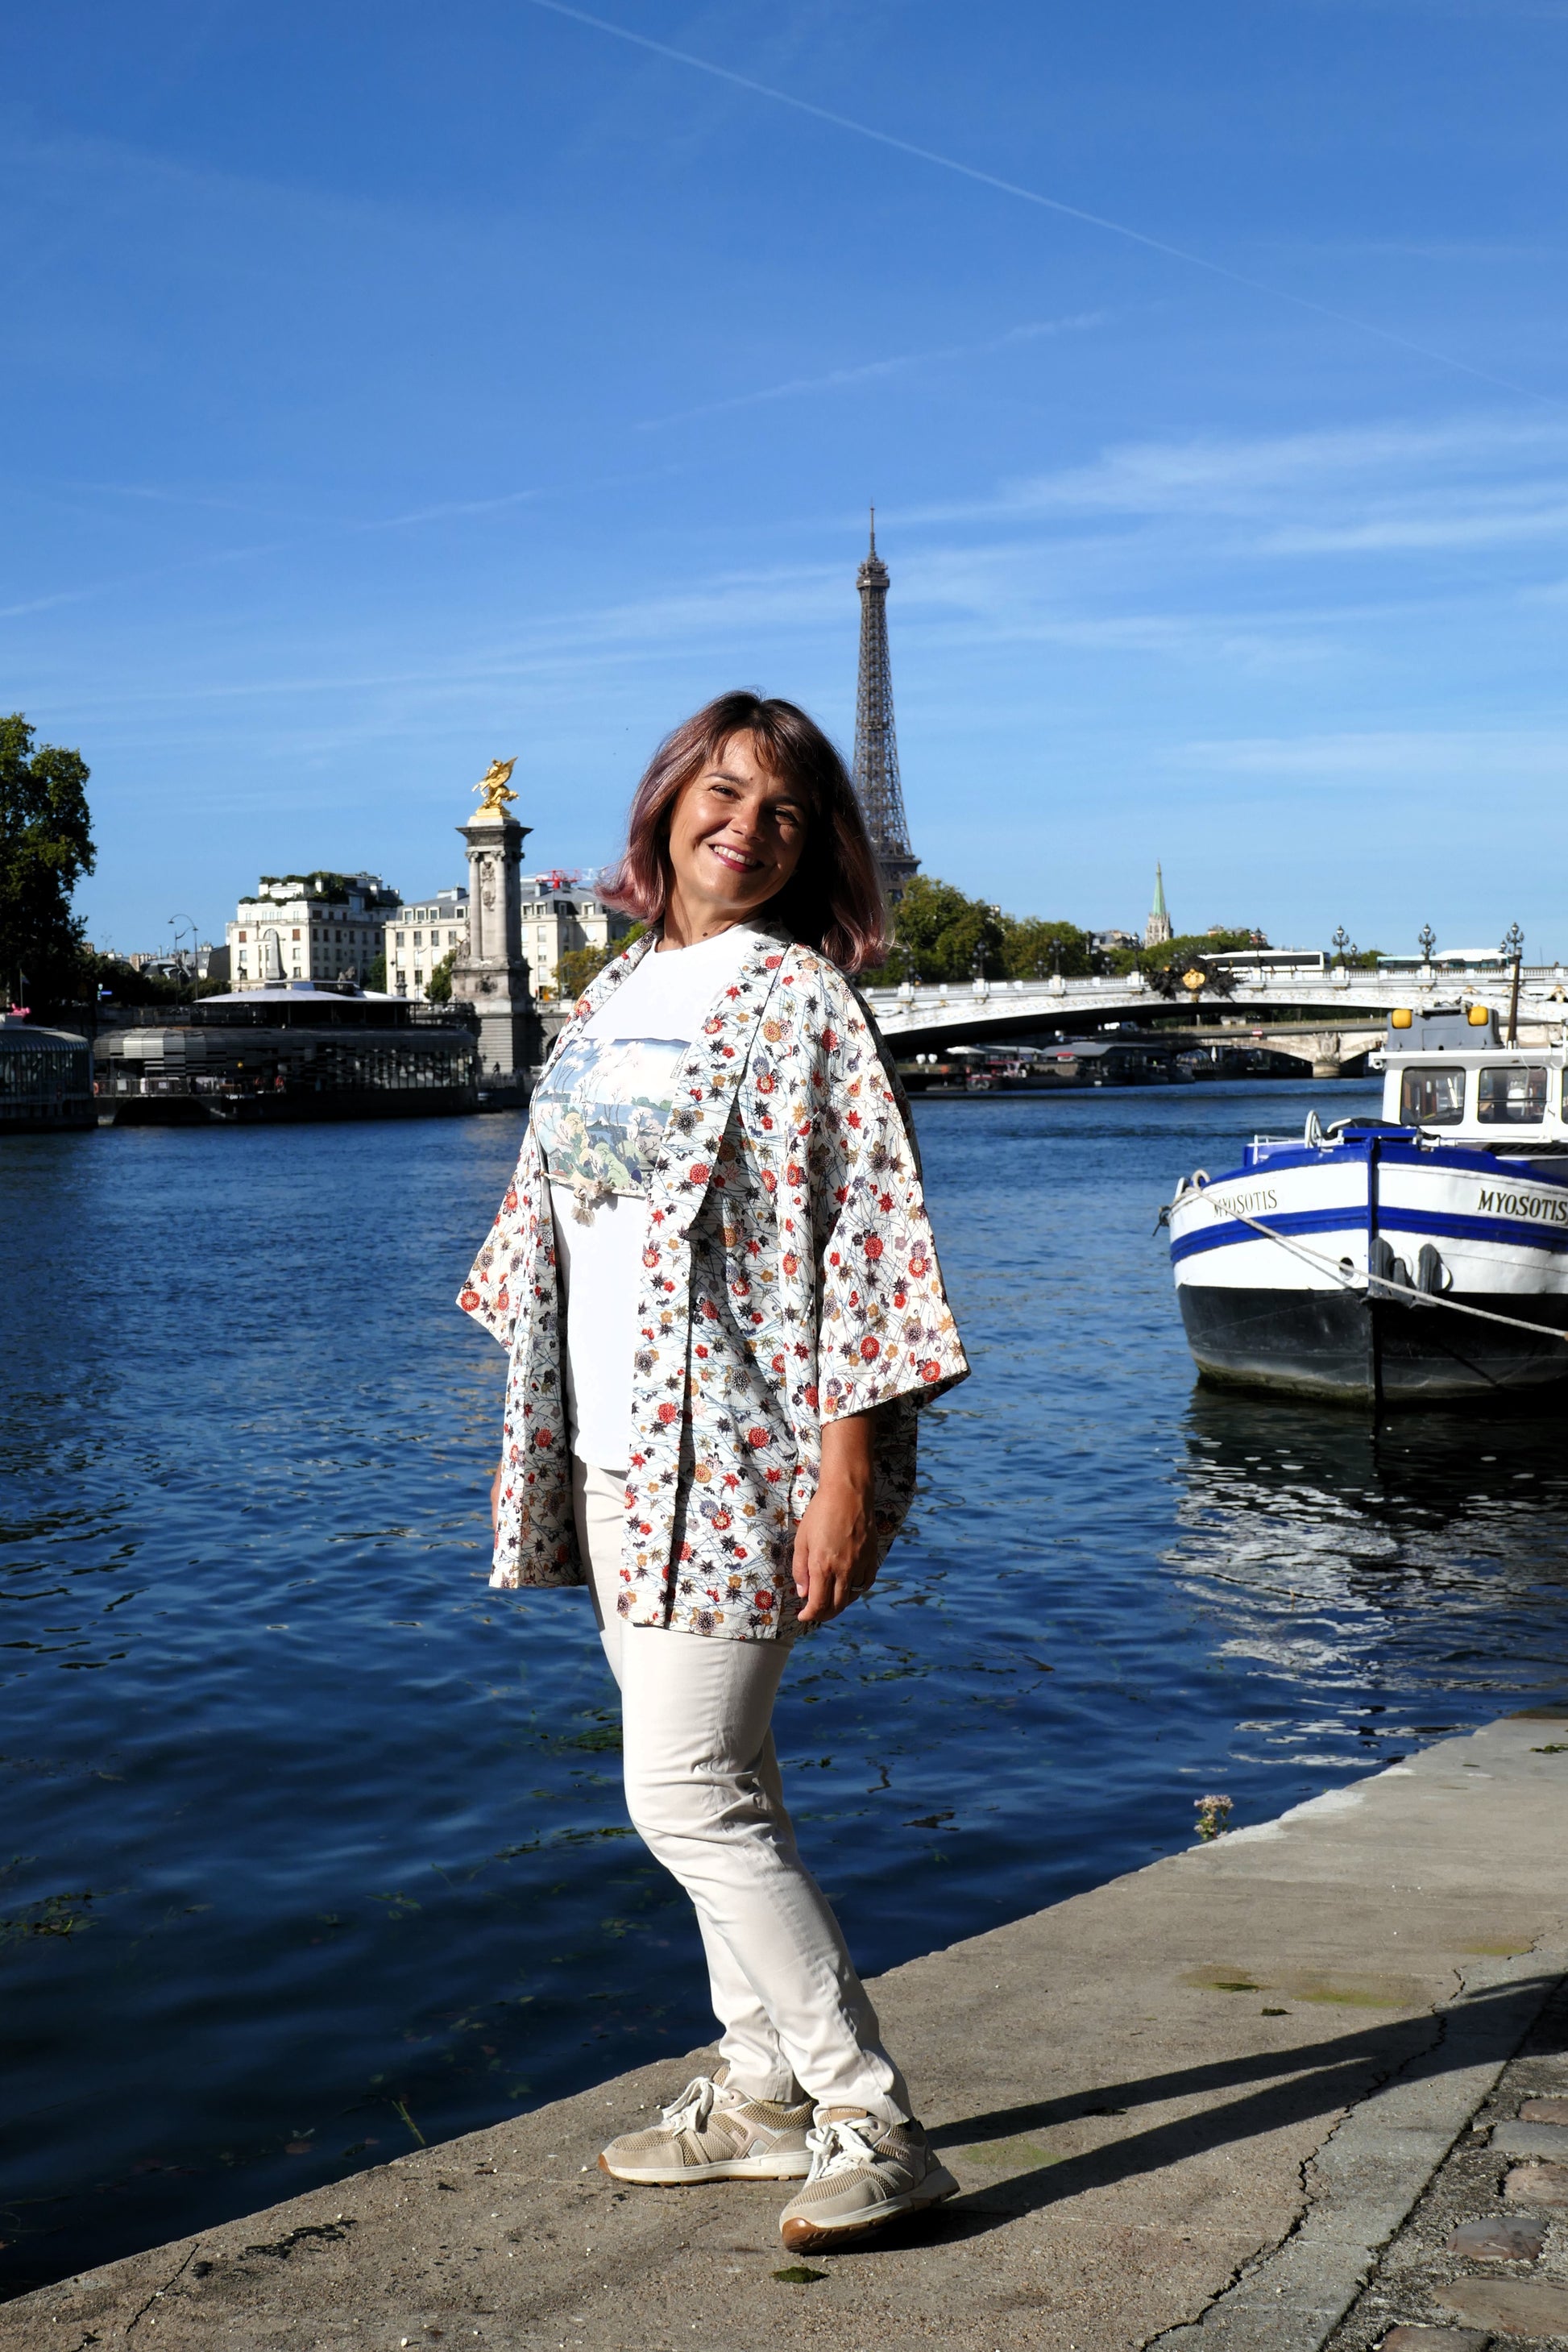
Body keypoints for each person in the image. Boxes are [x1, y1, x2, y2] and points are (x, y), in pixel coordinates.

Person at [458, 691, 969, 2253]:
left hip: (740, 1452)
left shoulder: (799, 998)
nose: (746, 825)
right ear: (669, 799)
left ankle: (867, 2109)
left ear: (815, 848)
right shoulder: (617, 990)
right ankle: (756, 2090)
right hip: (618, 1450)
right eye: (724, 791)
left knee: (679, 1788)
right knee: (728, 1781)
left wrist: (845, 1470)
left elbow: (859, 1248)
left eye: (788, 811)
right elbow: (562, 1221)